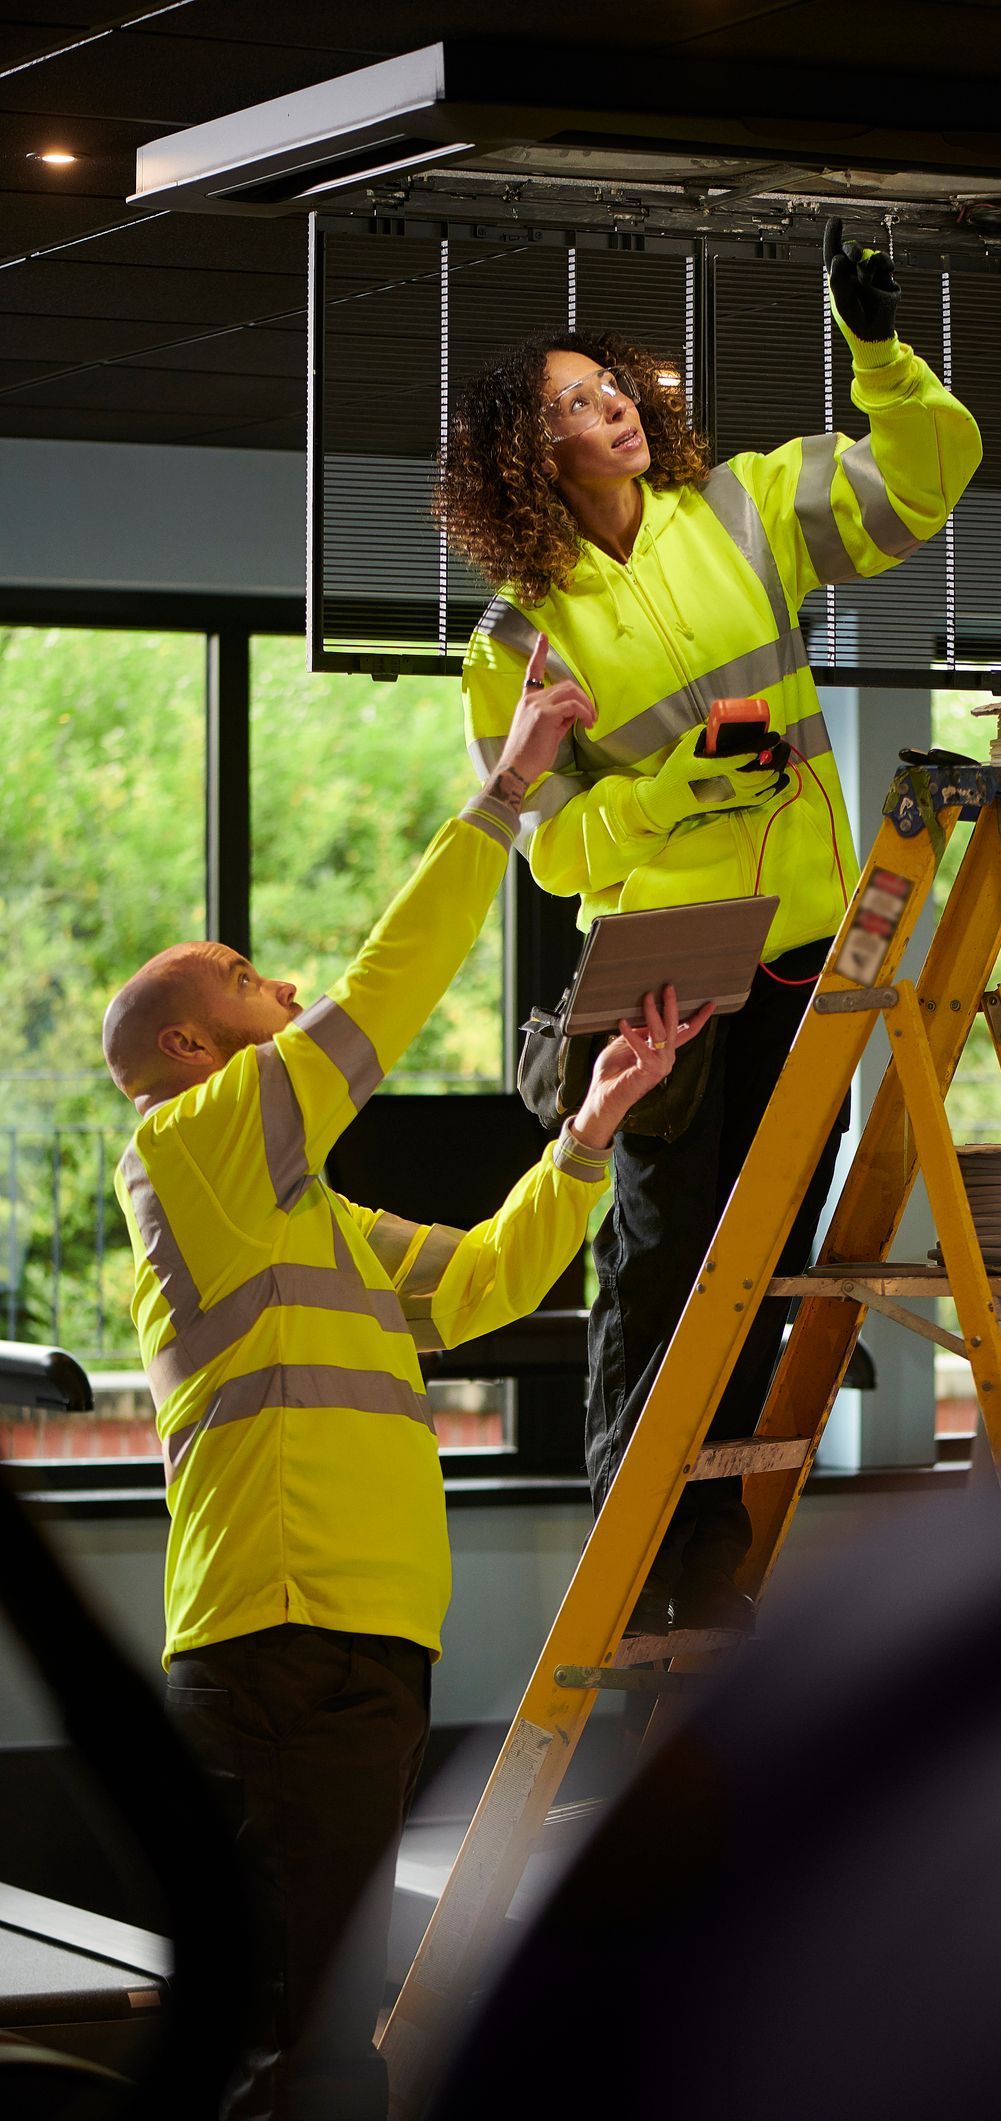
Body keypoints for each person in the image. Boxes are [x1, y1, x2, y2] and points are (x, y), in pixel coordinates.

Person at [103, 648, 709, 2121]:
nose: (286, 988)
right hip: (294, 1642)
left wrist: (594, 1126)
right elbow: (383, 989)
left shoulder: (297, 1213)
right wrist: (502, 797)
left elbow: (487, 1280)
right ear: (189, 1046)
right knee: (322, 2045)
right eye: (250, 982)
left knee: (310, 2026)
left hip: (333, 1642)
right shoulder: (192, 1144)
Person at [440, 220, 983, 1635]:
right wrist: (684, 781)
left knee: (765, 1244)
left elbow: (928, 476)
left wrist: (877, 351)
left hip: (806, 937)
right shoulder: (515, 637)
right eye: (567, 400)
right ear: (523, 452)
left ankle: (710, 1554)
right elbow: (551, 847)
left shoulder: (743, 510)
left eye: (608, 383)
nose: (607, 403)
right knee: (664, 1254)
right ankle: (641, 1565)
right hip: (667, 963)